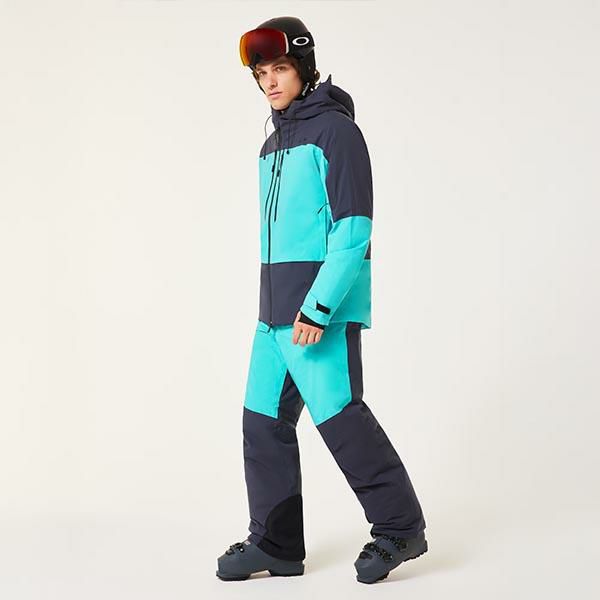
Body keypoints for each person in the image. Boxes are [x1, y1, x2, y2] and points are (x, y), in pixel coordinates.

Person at [216, 16, 428, 584]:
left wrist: (318, 307)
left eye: (280, 69)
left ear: (304, 69)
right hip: (271, 315)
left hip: (314, 313)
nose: (269, 82)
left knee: (341, 419)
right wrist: (275, 311)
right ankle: (277, 542)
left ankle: (400, 527)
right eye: (261, 73)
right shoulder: (271, 144)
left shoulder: (337, 133)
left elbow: (353, 231)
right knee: (261, 423)